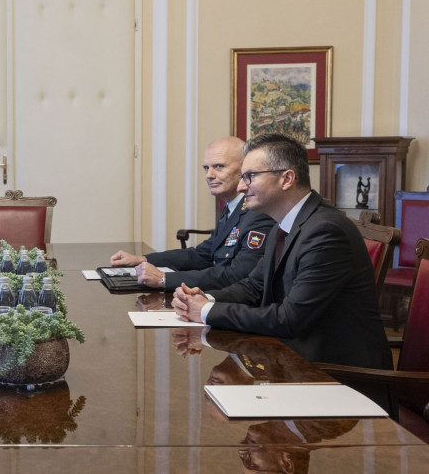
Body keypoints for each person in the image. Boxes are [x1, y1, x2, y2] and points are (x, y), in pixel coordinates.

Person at [172, 133, 393, 371]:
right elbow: (253, 286)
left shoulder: (326, 231)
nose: (241, 185)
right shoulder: (283, 224)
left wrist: (205, 311)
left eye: (250, 176)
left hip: (337, 375)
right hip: (290, 360)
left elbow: (289, 320)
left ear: (287, 179)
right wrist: (204, 298)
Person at [110, 136, 275, 291]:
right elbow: (202, 254)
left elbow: (237, 275)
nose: (209, 175)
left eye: (219, 166)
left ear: (244, 169)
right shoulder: (232, 207)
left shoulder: (257, 212)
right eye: (206, 168)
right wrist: (143, 259)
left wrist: (165, 279)